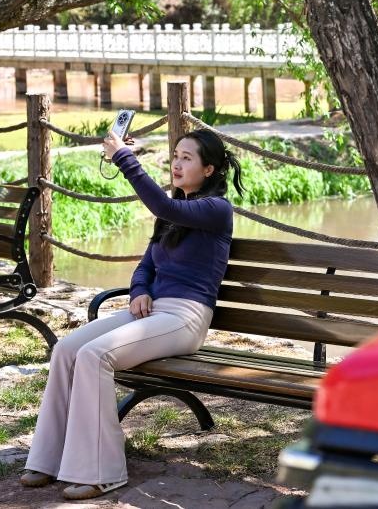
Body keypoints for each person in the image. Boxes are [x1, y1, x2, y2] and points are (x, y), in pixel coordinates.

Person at [20, 128, 244, 500]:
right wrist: (140, 290)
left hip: (185, 318)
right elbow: (146, 266)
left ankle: (102, 471)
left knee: (95, 356)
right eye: (175, 155)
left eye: (187, 157)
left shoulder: (215, 210)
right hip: (154, 313)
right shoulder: (175, 213)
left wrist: (124, 157)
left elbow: (163, 206)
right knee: (67, 349)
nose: (177, 163)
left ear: (209, 170)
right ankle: (49, 457)